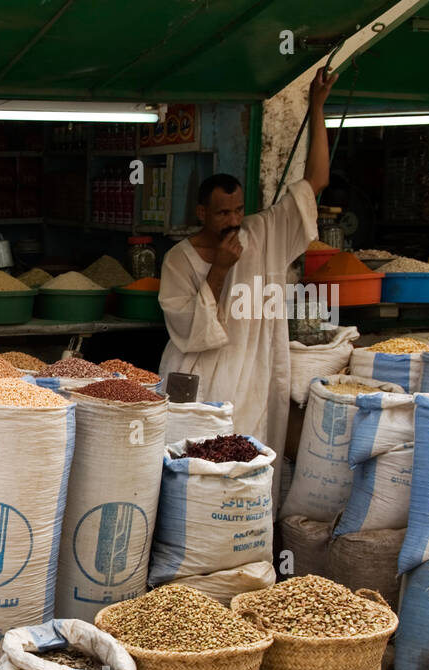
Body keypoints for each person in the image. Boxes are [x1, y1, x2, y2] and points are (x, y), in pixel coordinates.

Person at [158, 67, 336, 472]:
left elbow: (317, 181)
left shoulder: (262, 232)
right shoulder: (179, 259)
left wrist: (318, 106)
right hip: (197, 377)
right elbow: (191, 331)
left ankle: (251, 529)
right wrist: (219, 269)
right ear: (202, 212)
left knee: (249, 462)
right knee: (191, 462)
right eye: (222, 213)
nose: (233, 220)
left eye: (238, 209)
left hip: (253, 375)